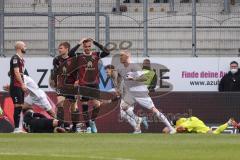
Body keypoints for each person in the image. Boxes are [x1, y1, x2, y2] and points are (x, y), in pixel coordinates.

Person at [113, 50, 176, 134]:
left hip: (140, 92)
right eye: (120, 56)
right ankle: (138, 123)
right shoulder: (119, 67)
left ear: (127, 56)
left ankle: (171, 128)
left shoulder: (134, 66)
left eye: (122, 56)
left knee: (154, 110)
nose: (120, 57)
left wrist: (134, 78)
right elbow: (119, 77)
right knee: (123, 108)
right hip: (130, 92)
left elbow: (144, 78)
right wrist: (117, 88)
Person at [76, 38, 110, 133]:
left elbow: (107, 52)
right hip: (83, 84)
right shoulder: (79, 56)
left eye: (89, 46)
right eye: (85, 46)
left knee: (97, 105)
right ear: (83, 47)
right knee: (85, 105)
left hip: (94, 84)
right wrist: (79, 43)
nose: (87, 48)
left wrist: (95, 42)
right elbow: (70, 53)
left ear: (91, 46)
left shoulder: (96, 55)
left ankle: (92, 121)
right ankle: (88, 127)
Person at [105, 64, 148, 133]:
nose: (106, 73)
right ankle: (138, 128)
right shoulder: (112, 78)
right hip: (126, 94)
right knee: (123, 114)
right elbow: (118, 92)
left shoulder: (114, 73)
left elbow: (121, 82)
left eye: (107, 72)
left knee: (124, 108)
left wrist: (119, 90)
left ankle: (139, 120)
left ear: (111, 70)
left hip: (129, 94)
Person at [51, 40, 82, 132]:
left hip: (72, 86)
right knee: (60, 103)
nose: (59, 50)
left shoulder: (74, 57)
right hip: (62, 86)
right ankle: (62, 126)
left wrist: (78, 80)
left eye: (61, 48)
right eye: (59, 48)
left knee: (73, 106)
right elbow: (55, 72)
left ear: (66, 49)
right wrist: (56, 83)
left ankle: (75, 127)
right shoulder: (56, 60)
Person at [9, 41, 27, 133]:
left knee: (20, 106)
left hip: (19, 86)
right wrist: (22, 84)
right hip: (16, 86)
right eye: (24, 46)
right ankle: (16, 128)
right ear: (19, 47)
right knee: (17, 106)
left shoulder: (21, 59)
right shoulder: (15, 58)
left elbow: (12, 72)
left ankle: (18, 128)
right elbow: (16, 72)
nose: (26, 47)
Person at [162, 116, 236, 134]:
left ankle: (229, 123)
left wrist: (171, 131)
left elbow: (179, 128)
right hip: (193, 119)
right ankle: (229, 123)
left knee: (212, 133)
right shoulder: (180, 120)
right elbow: (165, 130)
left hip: (193, 122)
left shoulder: (181, 124)